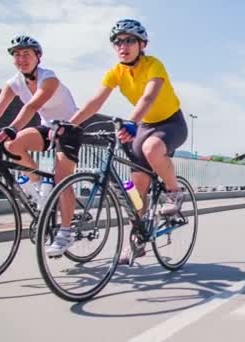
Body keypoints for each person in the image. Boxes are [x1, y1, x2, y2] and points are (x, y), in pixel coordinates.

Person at [48, 19, 188, 262]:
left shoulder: (154, 65)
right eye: (117, 41)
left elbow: (148, 97)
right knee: (134, 188)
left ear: (142, 44)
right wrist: (70, 124)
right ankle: (137, 238)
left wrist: (131, 122)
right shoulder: (116, 72)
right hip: (144, 124)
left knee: (151, 147)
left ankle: (174, 192)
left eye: (129, 40)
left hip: (170, 122)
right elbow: (94, 102)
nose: (123, 45)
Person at [0, 35, 81, 251]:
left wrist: (12, 127)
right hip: (48, 127)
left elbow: (32, 107)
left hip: (69, 127)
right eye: (17, 55)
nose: (21, 59)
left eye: (26, 54)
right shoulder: (14, 82)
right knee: (12, 144)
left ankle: (66, 231)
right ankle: (38, 189)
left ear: (38, 57)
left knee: (62, 177)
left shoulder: (49, 78)